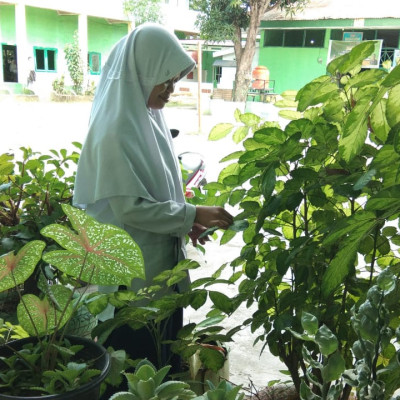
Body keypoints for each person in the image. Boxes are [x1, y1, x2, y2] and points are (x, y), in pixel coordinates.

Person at [73, 22, 233, 382]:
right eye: (165, 79)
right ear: (141, 72)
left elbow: (159, 190)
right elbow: (130, 207)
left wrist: (186, 222)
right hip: (133, 274)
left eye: (175, 80)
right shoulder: (114, 131)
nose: (172, 89)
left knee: (162, 353)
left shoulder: (148, 117)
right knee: (135, 361)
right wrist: (193, 213)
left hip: (160, 264)